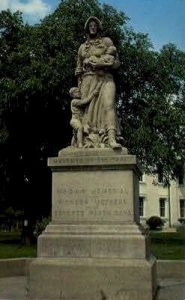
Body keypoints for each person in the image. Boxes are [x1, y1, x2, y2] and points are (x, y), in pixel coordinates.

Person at [75, 16, 122, 149]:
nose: (93, 27)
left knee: (109, 105)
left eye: (95, 25)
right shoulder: (82, 47)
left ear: (99, 27)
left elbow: (117, 63)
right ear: (87, 28)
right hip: (87, 81)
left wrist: (104, 63)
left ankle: (111, 138)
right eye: (90, 25)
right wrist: (79, 88)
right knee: (88, 114)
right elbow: (78, 70)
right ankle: (86, 141)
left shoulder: (107, 41)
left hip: (105, 78)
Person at [70, 81, 102, 147]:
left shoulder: (77, 100)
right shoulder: (74, 101)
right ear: (73, 95)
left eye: (79, 91)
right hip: (75, 120)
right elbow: (84, 102)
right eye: (77, 92)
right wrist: (93, 94)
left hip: (81, 119)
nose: (79, 93)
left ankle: (73, 145)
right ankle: (80, 144)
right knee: (80, 128)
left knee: (77, 134)